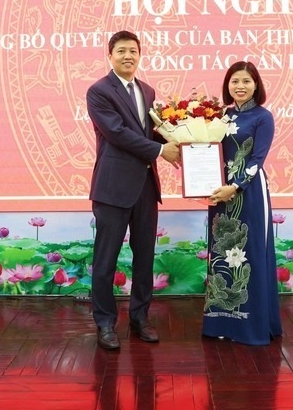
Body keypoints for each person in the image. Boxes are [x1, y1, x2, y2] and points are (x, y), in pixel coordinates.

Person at [86, 30, 180, 350]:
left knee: (145, 258)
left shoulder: (148, 91)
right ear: (110, 55)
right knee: (106, 259)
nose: (129, 56)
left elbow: (152, 135)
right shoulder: (99, 91)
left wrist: (183, 141)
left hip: (145, 187)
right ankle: (105, 323)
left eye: (134, 51)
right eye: (122, 51)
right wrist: (159, 152)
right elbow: (117, 133)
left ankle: (140, 317)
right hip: (112, 188)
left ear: (140, 55)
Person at [202, 60, 282, 345]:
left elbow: (257, 160)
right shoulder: (219, 117)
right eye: (234, 81)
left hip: (247, 192)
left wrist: (235, 187)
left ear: (256, 85)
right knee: (222, 253)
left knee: (250, 254)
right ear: (227, 86)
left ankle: (252, 327)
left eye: (246, 81)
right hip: (220, 193)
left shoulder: (263, 117)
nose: (240, 86)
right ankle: (221, 323)